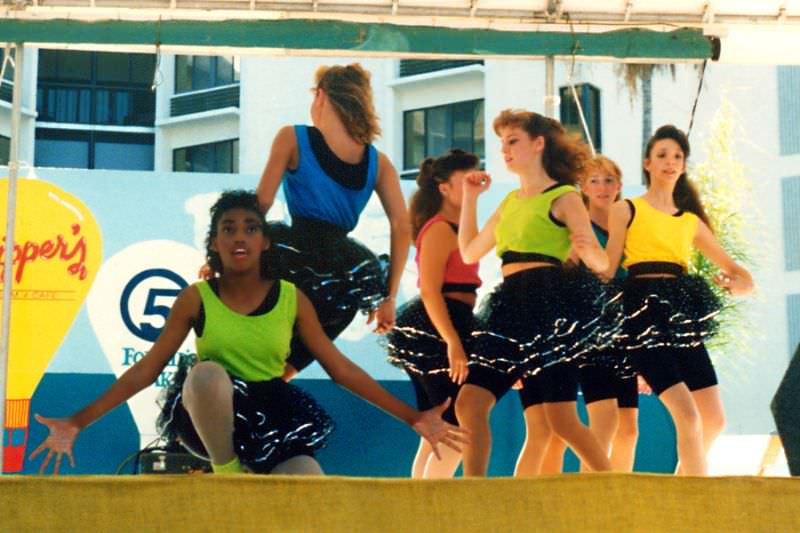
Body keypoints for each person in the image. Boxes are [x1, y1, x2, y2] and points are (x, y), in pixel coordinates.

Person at [29, 191, 464, 476]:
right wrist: (76, 421)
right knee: (206, 375)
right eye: (228, 229)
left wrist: (413, 416)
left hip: (272, 417)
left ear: (265, 242)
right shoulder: (197, 298)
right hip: (211, 419)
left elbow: (342, 370)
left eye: (250, 228)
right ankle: (228, 474)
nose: (240, 237)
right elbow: (146, 370)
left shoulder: (292, 298)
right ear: (215, 243)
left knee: (309, 482)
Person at [455, 110, 617, 477]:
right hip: (508, 307)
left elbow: (600, 260)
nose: (505, 151)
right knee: (470, 402)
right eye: (502, 144)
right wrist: (470, 198)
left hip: (548, 307)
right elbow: (469, 252)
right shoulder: (511, 201)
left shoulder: (564, 196)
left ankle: (615, 485)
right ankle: (472, 494)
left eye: (513, 141)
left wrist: (587, 249)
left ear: (538, 143)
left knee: (560, 418)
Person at [604, 125, 753, 476]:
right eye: (662, 155)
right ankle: (695, 505)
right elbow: (608, 269)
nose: (670, 162)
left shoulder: (691, 222)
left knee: (713, 420)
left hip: (682, 317)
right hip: (641, 316)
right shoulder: (626, 209)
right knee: (688, 417)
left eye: (677, 157)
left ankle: (680, 490)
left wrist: (735, 285)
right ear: (647, 163)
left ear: (683, 166)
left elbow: (742, 276)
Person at [255, 63, 410, 380]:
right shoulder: (378, 163)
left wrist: (223, 258)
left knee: (253, 356)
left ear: (321, 96)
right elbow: (402, 227)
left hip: (290, 261)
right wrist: (389, 297)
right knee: (282, 372)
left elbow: (261, 205)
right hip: (341, 277)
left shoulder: (293, 138)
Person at [540, 155, 639, 474]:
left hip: (625, 330)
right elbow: (563, 274)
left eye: (609, 180)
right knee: (603, 421)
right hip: (589, 330)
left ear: (619, 186)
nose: (602, 187)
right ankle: (592, 497)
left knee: (629, 429)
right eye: (594, 180)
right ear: (583, 186)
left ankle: (619, 501)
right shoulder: (577, 226)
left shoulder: (628, 224)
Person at [386, 150, 482, 478]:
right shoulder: (440, 229)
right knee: (454, 425)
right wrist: (452, 341)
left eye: (477, 175)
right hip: (437, 327)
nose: (475, 182)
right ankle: (430, 512)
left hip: (452, 322)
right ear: (444, 188)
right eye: (466, 179)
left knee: (439, 425)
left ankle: (416, 511)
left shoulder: (460, 226)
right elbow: (429, 291)